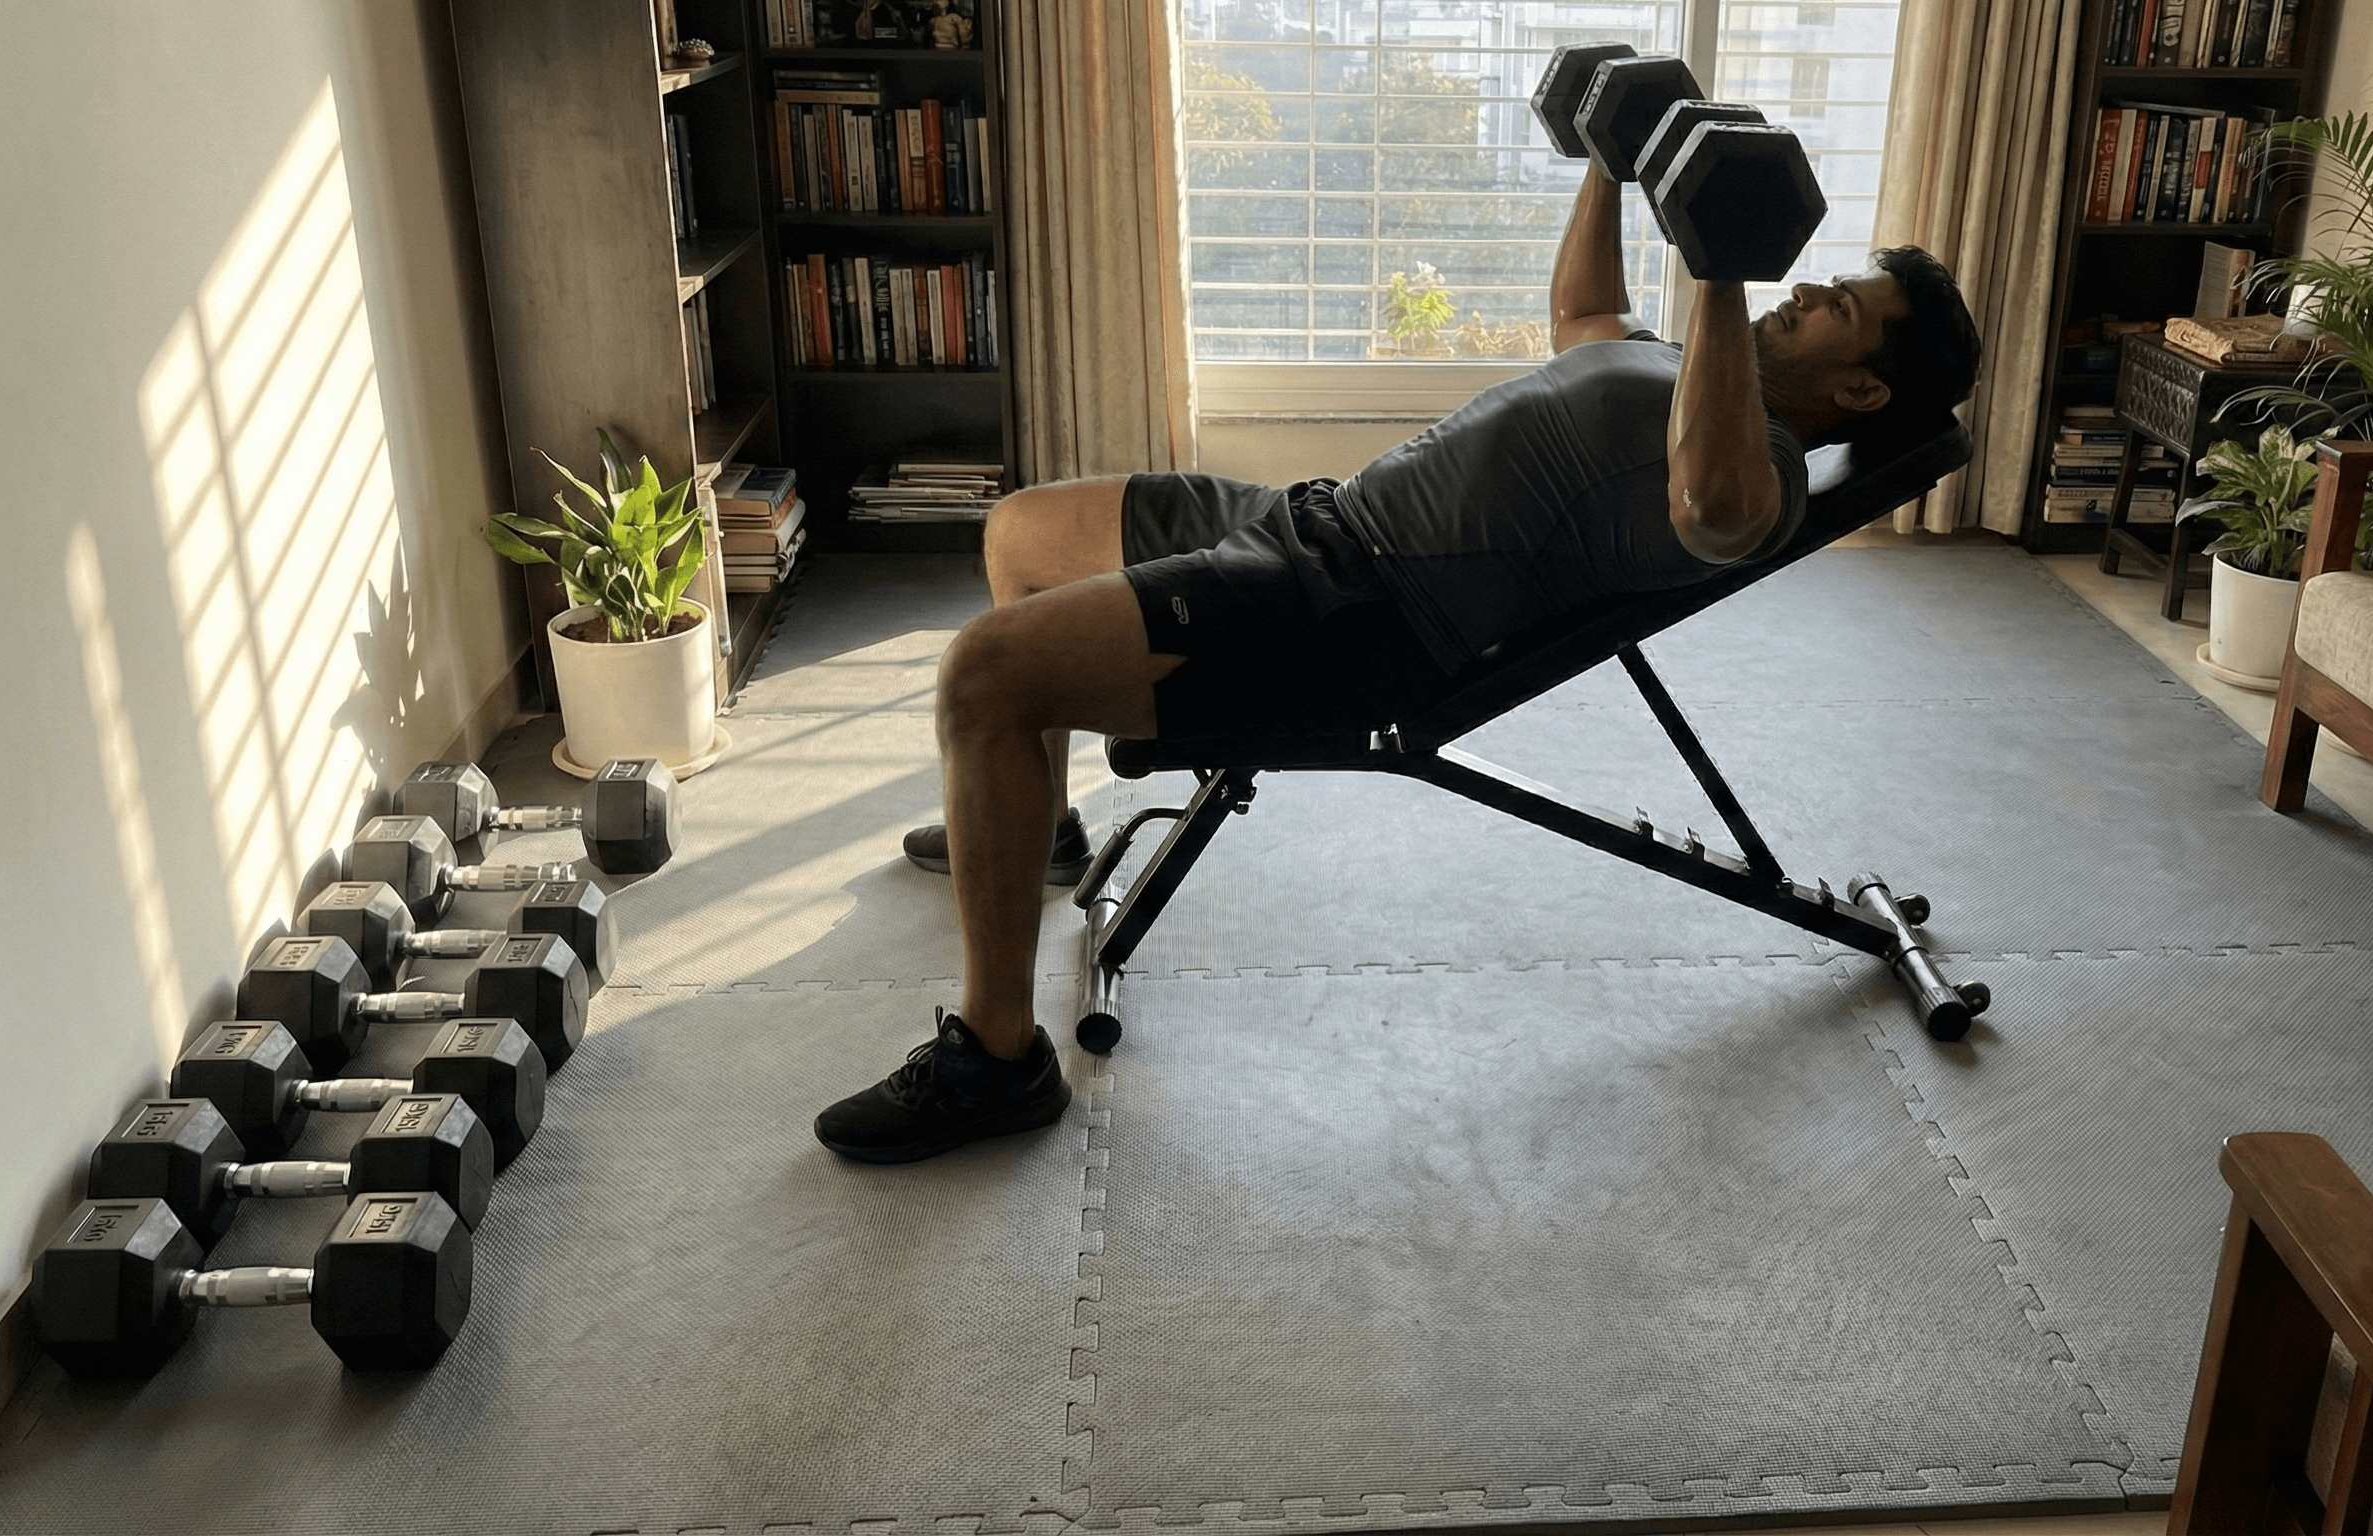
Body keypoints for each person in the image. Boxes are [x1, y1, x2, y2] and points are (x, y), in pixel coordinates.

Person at [812, 160, 1983, 1164]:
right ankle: (1038, 829)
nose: (1807, 292)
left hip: (1342, 615)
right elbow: (1583, 313)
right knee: (1017, 531)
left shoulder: (1754, 470)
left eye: (1838, 304)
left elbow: (1715, 508)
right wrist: (1606, 159)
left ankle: (999, 1063)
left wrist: (1723, 266)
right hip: (1302, 520)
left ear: (1862, 387)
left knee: (984, 676)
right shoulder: (1684, 370)